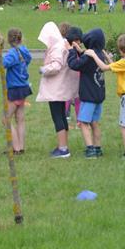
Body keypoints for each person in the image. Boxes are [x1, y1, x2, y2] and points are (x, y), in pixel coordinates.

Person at [36, 22, 80, 158]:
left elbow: (56, 66)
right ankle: (63, 144)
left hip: (55, 88)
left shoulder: (57, 47)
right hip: (61, 87)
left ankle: (63, 149)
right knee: (61, 116)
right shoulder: (62, 45)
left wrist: (43, 69)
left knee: (57, 117)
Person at [68, 28, 107, 158]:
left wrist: (71, 51)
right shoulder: (99, 55)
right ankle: (97, 148)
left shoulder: (88, 56)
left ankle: (90, 149)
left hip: (88, 96)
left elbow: (74, 64)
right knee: (94, 122)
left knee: (83, 123)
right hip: (98, 95)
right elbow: (87, 58)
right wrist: (81, 51)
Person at [0, 28, 32, 155]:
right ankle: (21, 147)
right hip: (24, 87)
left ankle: (16, 148)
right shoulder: (24, 50)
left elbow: (3, 64)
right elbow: (29, 59)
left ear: (9, 40)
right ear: (21, 38)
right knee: (20, 118)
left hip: (15, 89)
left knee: (6, 118)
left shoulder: (13, 53)